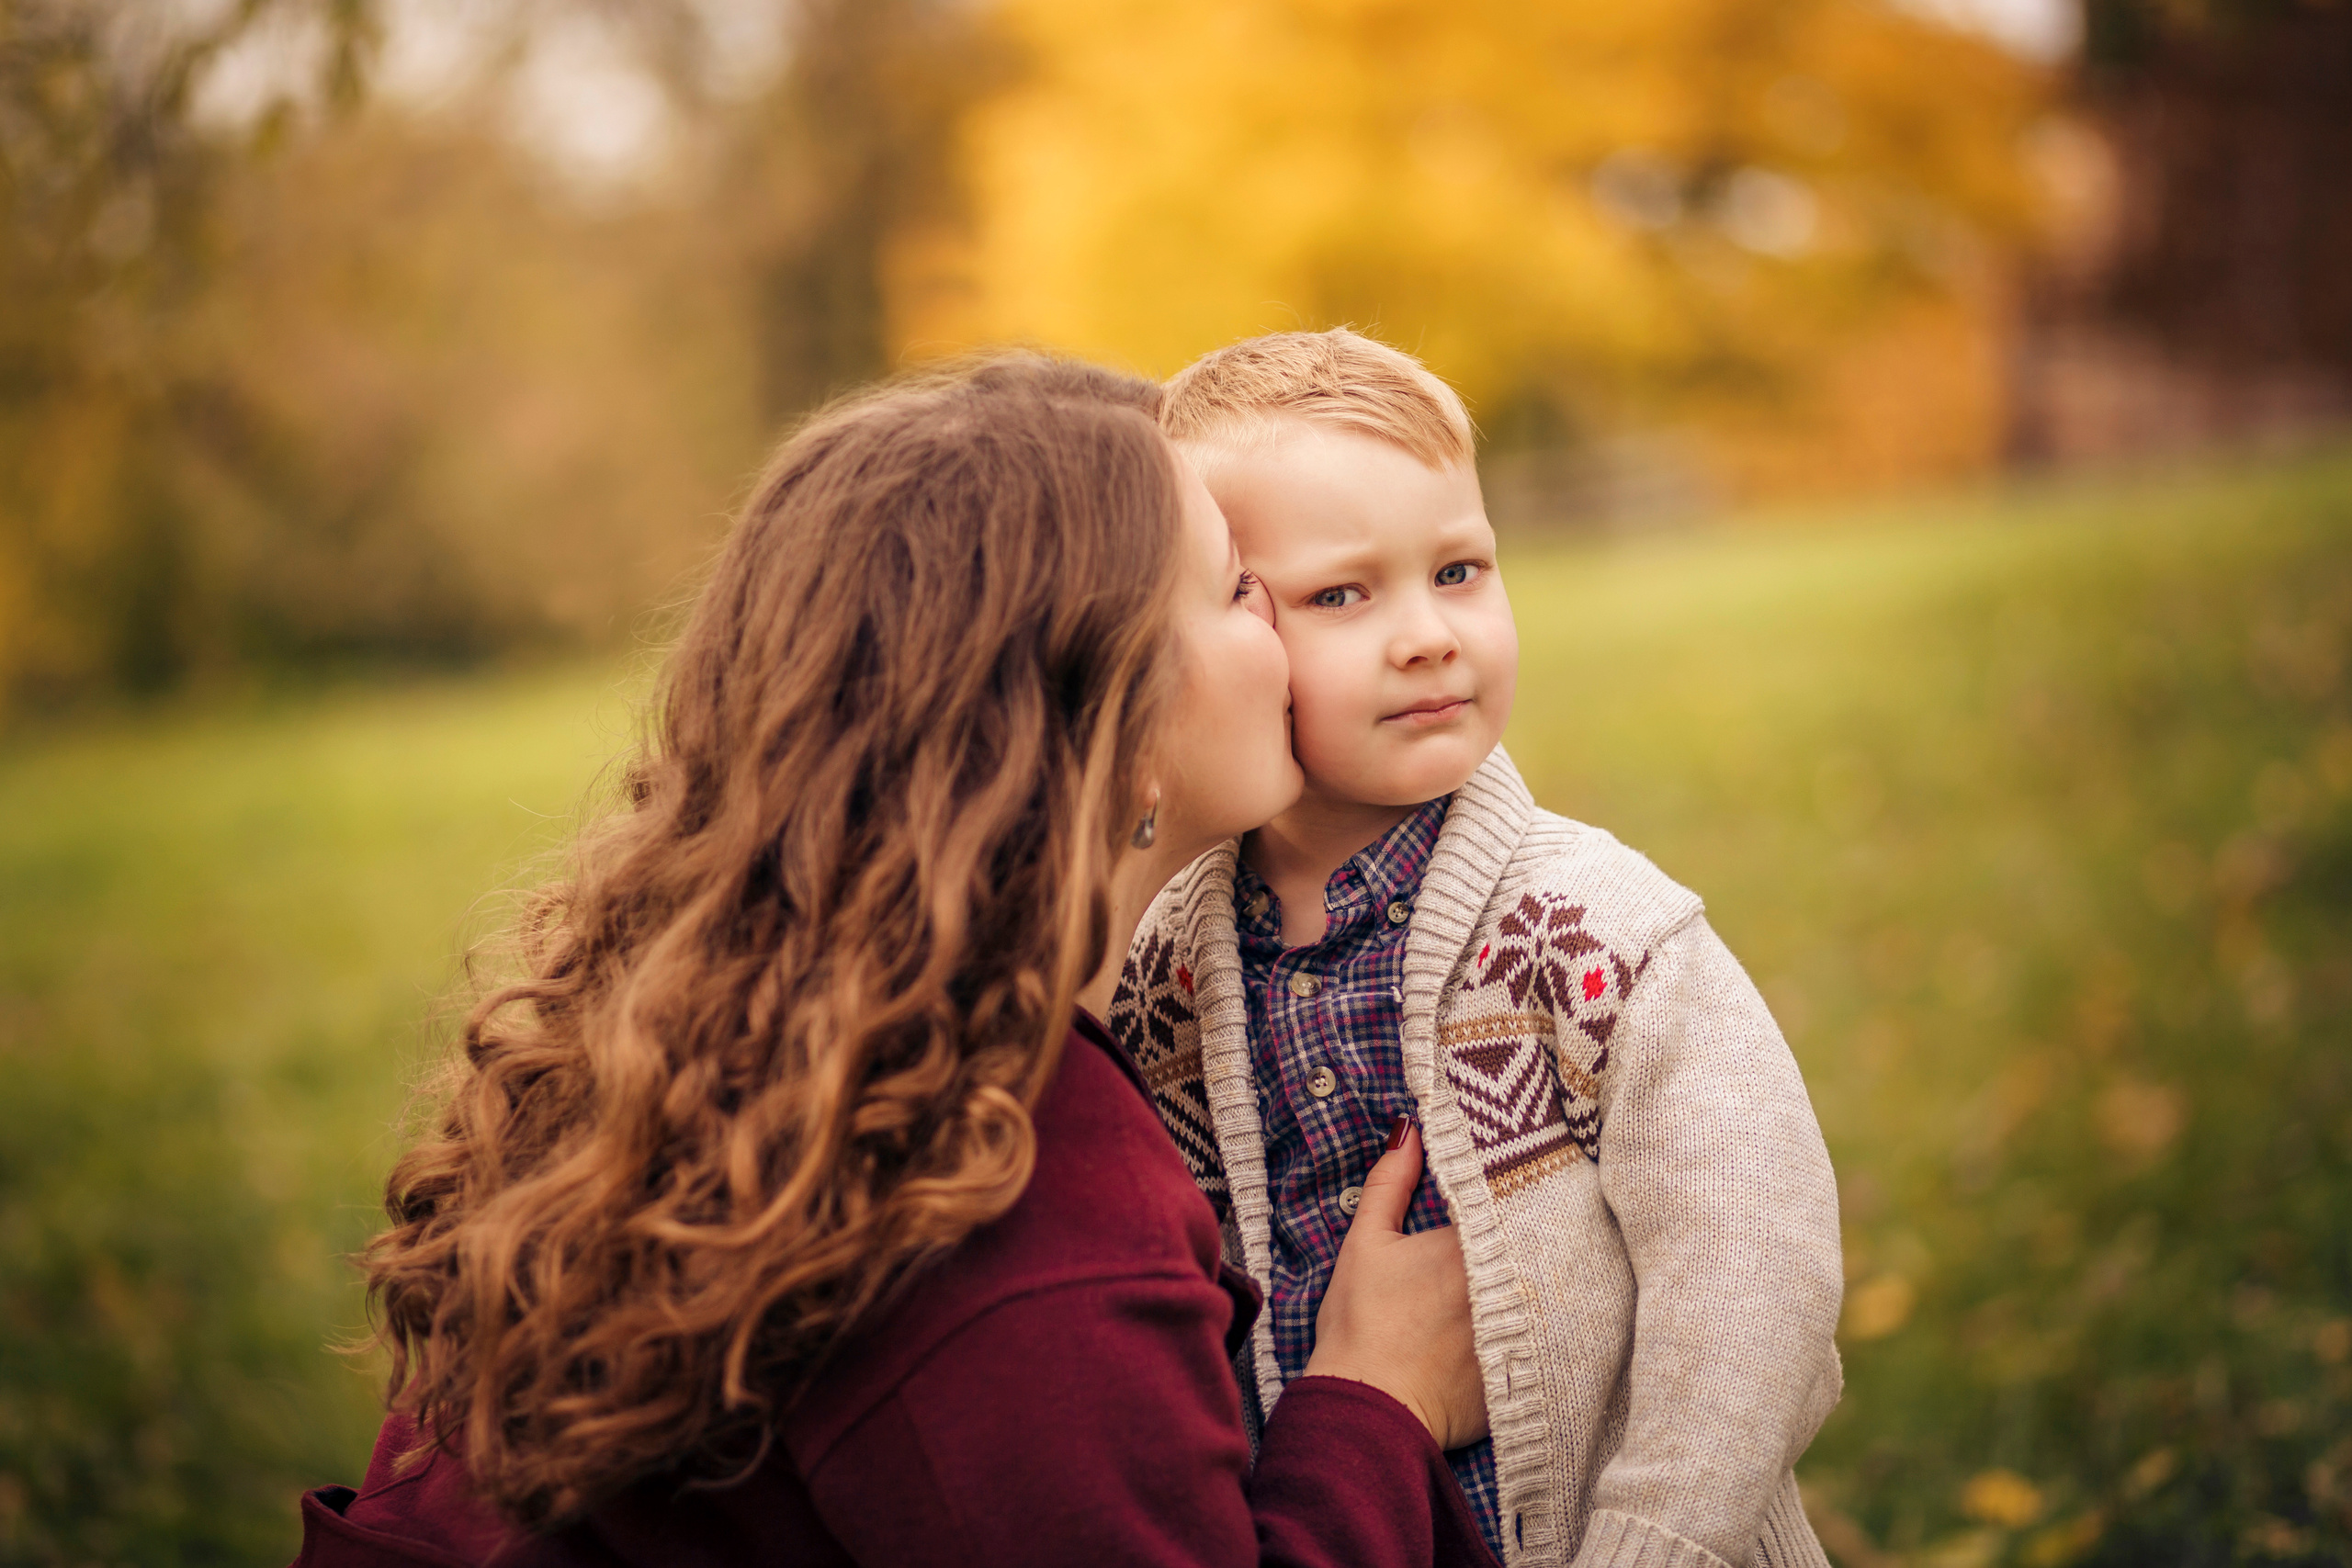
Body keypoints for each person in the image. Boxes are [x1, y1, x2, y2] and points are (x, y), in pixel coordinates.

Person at [291, 356, 1499, 1567]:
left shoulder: (727, 1019)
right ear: (1112, 731)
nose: (1286, 628)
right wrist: (1376, 1398)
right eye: (1238, 588)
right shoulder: (1012, 1200)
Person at [1111, 329, 1846, 1568]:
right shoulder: (1167, 977)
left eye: (1458, 571)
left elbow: (1753, 1272)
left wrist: (1654, 1548)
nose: (1428, 636)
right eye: (1342, 595)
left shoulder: (1596, 934)